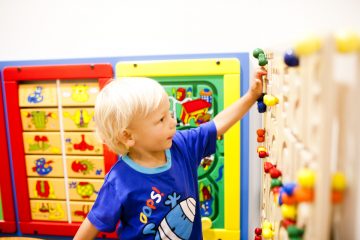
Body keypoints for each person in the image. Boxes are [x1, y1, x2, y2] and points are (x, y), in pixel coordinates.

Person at [74, 70, 264, 240]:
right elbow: (91, 226)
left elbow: (217, 124)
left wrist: (251, 96)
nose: (173, 122)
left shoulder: (181, 145)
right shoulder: (118, 181)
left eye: (170, 114)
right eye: (161, 119)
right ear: (128, 136)